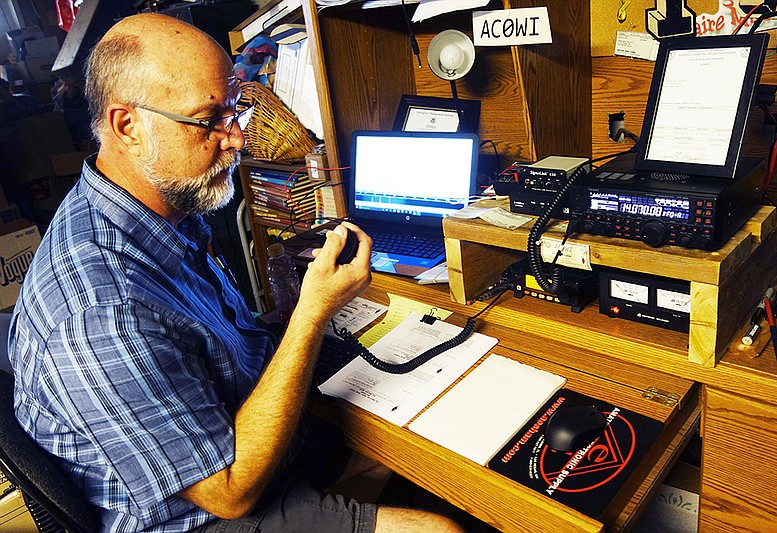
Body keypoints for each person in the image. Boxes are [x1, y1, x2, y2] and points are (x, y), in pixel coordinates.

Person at [8, 13, 465, 533]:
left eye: (236, 111)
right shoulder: (99, 312)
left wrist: (299, 314)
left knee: (401, 444)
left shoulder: (159, 211)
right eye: (209, 120)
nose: (236, 139)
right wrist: (312, 314)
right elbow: (229, 493)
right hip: (200, 514)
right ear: (126, 126)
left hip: (233, 446)